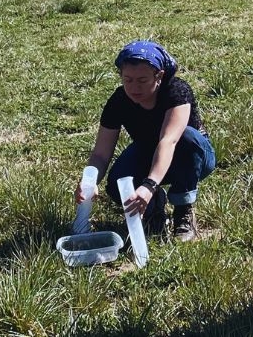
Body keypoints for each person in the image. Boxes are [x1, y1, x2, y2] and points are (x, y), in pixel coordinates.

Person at [75, 40, 215, 242]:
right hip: (148, 151)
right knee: (117, 185)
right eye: (128, 80)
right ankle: (153, 209)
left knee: (187, 137)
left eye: (142, 80)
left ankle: (183, 210)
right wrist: (89, 181)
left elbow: (169, 141)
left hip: (193, 156)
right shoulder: (119, 100)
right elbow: (100, 154)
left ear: (159, 76)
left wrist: (149, 185)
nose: (134, 87)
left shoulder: (177, 92)